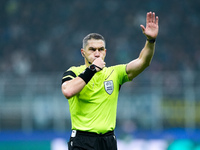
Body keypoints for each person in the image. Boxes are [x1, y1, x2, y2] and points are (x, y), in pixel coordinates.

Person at [61, 11, 159, 150]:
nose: (97, 53)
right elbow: (68, 91)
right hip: (82, 141)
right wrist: (92, 69)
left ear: (105, 52)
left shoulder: (115, 73)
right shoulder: (74, 72)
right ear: (83, 52)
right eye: (92, 49)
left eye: (101, 49)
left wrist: (150, 41)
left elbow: (143, 61)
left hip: (108, 141)